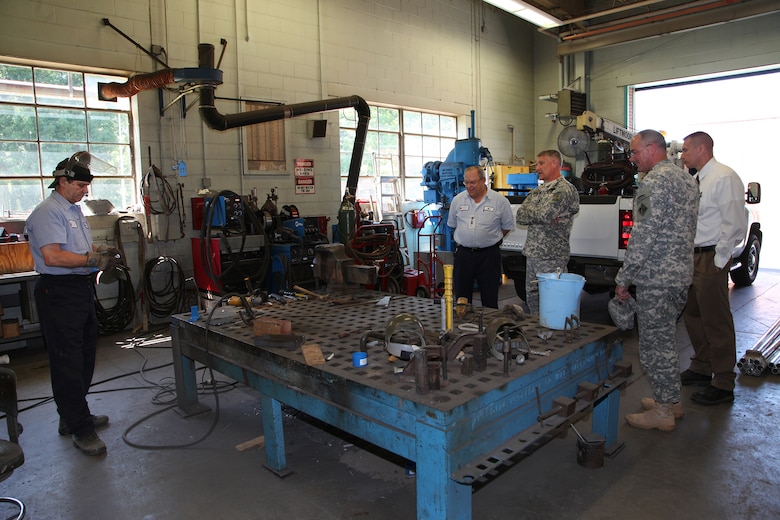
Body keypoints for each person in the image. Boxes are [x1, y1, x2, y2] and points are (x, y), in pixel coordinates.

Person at [26, 152, 119, 456]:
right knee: (67, 361)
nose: (85, 191)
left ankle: (72, 417)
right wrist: (92, 259)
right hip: (59, 291)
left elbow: (78, 246)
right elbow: (53, 256)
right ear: (62, 182)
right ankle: (81, 429)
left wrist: (99, 249)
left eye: (86, 186)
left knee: (84, 355)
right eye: (80, 185)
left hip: (78, 289)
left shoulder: (73, 210)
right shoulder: (47, 212)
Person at [615, 130, 699, 431]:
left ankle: (663, 411)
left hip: (656, 278)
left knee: (654, 344)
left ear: (653, 149)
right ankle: (672, 400)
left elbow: (643, 236)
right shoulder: (686, 179)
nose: (633, 158)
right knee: (666, 340)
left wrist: (624, 279)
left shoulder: (653, 182)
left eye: (635, 152)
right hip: (679, 276)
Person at [679, 131, 747, 405]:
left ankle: (723, 381)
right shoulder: (698, 180)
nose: (682, 155)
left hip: (710, 258)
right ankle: (701, 367)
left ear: (702, 149)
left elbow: (735, 224)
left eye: (685, 150)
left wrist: (720, 260)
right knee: (693, 314)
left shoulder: (723, 177)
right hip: (693, 256)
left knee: (716, 319)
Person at [515, 150, 579, 314]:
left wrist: (539, 214)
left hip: (552, 256)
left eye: (541, 163)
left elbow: (545, 214)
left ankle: (553, 334)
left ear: (555, 164)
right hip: (533, 254)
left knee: (553, 300)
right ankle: (538, 331)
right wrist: (541, 216)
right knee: (533, 297)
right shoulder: (539, 190)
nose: (537, 168)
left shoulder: (563, 190)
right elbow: (520, 216)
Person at [447, 165, 514, 309]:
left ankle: (489, 327)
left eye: (473, 182)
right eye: (466, 182)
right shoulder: (458, 201)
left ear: (483, 180)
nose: (469, 186)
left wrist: (488, 239)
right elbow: (452, 224)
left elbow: (507, 227)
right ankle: (462, 327)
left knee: (489, 297)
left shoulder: (500, 202)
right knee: (462, 299)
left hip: (489, 256)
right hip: (463, 255)